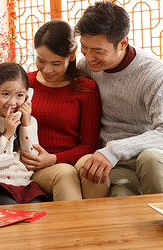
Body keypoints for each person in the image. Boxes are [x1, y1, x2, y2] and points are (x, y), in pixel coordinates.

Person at [75, 0, 163, 196]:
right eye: (84, 48)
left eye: (98, 51)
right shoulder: (86, 67)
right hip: (120, 166)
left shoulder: (153, 72)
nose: (89, 57)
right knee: (118, 198)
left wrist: (113, 150)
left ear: (122, 43)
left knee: (150, 159)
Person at [20, 19, 110, 201]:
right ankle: (73, 230)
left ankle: (97, 227)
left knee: (95, 169)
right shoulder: (23, 84)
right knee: (65, 174)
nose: (47, 70)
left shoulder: (86, 89)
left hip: (68, 159)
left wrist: (53, 158)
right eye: (41, 60)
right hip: (35, 166)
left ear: (71, 56)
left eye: (56, 63)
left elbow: (88, 145)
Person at [0, 62, 47, 205]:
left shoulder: (29, 122)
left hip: (25, 184)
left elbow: (32, 159)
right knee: (9, 211)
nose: (12, 102)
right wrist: (7, 135)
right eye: (5, 94)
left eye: (20, 95)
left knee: (38, 214)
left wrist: (25, 125)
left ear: (27, 96)